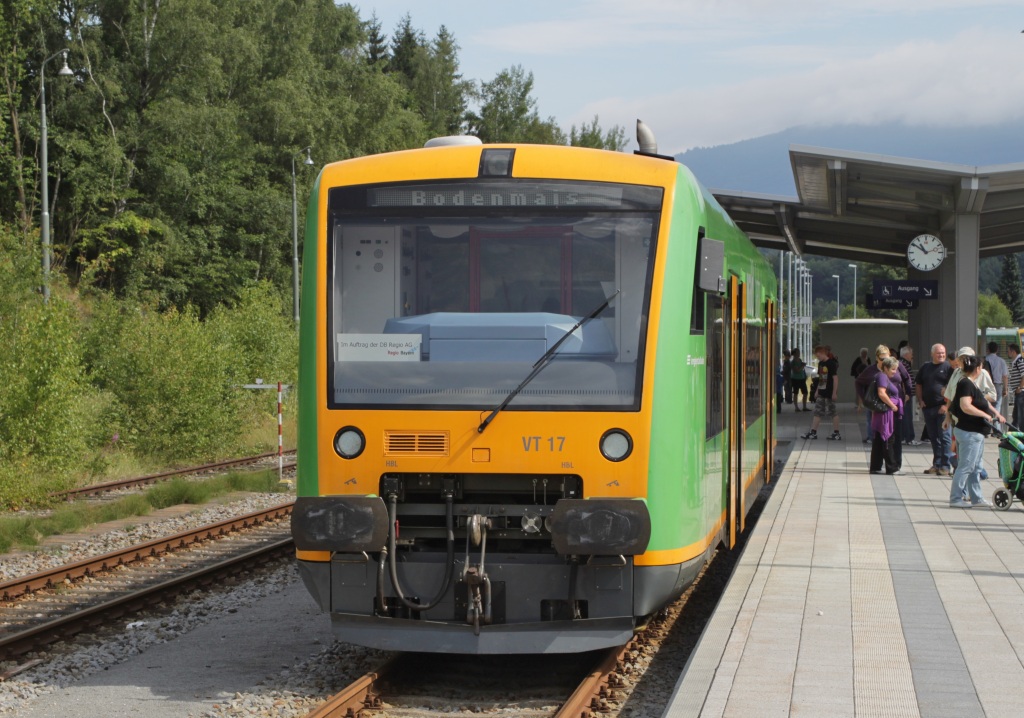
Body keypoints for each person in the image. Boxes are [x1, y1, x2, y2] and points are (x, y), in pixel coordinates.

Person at [948, 353, 1004, 508]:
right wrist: (985, 415)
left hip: (974, 432)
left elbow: (983, 402)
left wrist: (996, 414)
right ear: (978, 368)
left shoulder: (970, 383)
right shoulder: (965, 383)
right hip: (969, 432)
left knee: (974, 467)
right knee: (966, 466)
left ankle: (976, 498)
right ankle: (956, 498)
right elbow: (966, 406)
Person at [856, 345, 911, 466]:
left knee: (895, 436)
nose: (885, 362)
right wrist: (866, 399)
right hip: (880, 407)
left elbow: (907, 378)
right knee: (880, 436)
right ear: (876, 358)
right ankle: (880, 464)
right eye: (882, 359)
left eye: (887, 358)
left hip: (895, 405)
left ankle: (895, 463)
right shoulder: (873, 371)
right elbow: (859, 382)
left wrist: (908, 393)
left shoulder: (896, 365)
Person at [916, 344, 953, 476]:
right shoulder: (925, 367)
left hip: (942, 409)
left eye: (943, 353)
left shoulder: (949, 368)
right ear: (932, 354)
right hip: (928, 408)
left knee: (945, 437)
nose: (941, 355)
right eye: (938, 353)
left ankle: (945, 465)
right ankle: (936, 464)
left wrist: (946, 406)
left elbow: (952, 388)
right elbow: (919, 384)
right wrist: (920, 400)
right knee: (933, 437)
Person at [869, 357, 903, 475]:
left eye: (896, 369)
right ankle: (891, 467)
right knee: (887, 438)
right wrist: (892, 406)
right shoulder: (882, 376)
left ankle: (876, 466)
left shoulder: (881, 376)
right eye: (893, 369)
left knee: (879, 439)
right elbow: (881, 393)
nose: (895, 372)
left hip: (882, 413)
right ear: (886, 368)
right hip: (885, 414)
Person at [801, 345, 841, 440]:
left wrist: (834, 392)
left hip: (829, 391)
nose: (817, 358)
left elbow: (835, 378)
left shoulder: (831, 364)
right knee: (817, 412)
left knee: (832, 412)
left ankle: (837, 433)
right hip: (822, 392)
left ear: (823, 353)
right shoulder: (820, 364)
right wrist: (817, 391)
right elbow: (821, 378)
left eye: (818, 356)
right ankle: (813, 432)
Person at [985, 341, 1009, 429]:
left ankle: (987, 426)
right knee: (997, 405)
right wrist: (1005, 389)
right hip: (998, 385)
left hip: (987, 385)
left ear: (988, 350)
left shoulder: (985, 360)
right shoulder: (1001, 361)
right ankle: (996, 428)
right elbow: (1005, 376)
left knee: (986, 405)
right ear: (997, 350)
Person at [899, 345, 920, 445]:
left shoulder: (903, 363)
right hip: (906, 396)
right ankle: (909, 438)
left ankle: (903, 437)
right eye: (911, 354)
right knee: (907, 416)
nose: (912, 356)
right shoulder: (904, 364)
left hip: (906, 395)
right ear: (906, 354)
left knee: (905, 416)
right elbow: (904, 380)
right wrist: (907, 393)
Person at [1008, 344, 1024, 429]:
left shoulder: (1019, 361)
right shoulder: (1017, 361)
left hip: (1021, 392)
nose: (1008, 353)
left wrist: (1020, 388)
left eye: (1009, 351)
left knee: (1020, 415)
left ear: (1013, 352)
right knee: (1016, 415)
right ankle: (1013, 431)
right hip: (1019, 392)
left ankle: (1020, 433)